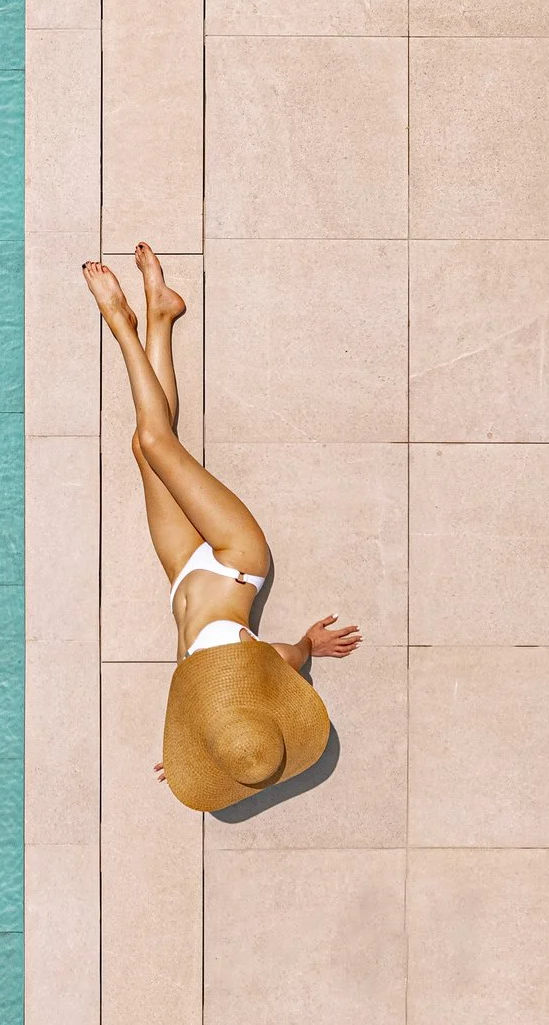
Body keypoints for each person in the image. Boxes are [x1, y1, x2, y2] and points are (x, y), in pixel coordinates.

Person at [82, 247, 360, 811]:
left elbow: (243, 705)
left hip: (184, 570)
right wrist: (313, 641)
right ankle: (123, 322)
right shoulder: (259, 668)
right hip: (237, 559)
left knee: (147, 449)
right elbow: (297, 654)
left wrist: (199, 749)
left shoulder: (214, 710)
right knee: (158, 444)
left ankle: (160, 315)